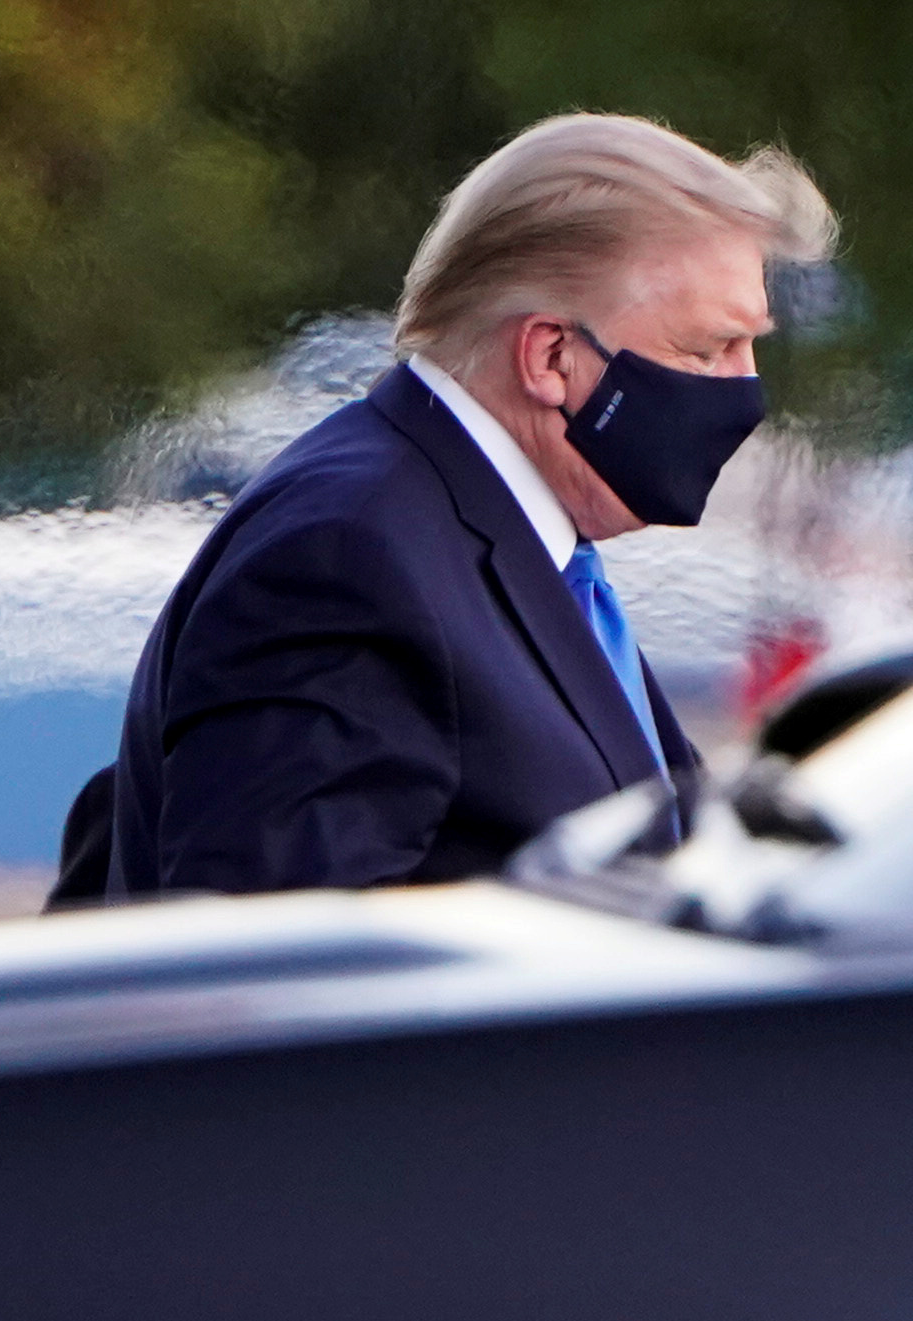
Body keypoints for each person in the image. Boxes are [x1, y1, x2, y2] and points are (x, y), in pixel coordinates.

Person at [76, 113, 836, 902]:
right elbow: (279, 977)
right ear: (549, 356)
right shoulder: (348, 558)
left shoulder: (494, 536)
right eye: (708, 349)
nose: (744, 391)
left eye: (752, 346)